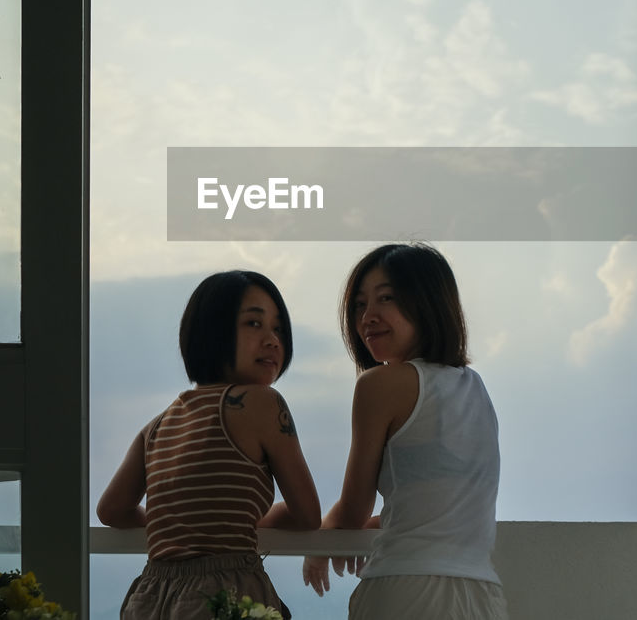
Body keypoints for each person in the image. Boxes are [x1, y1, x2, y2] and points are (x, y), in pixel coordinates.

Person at [99, 270, 321, 620]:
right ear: (212, 333)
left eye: (278, 329)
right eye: (253, 323)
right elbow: (307, 514)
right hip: (225, 594)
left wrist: (175, 528)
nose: (272, 339)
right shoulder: (261, 403)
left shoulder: (156, 426)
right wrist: (259, 522)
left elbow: (110, 511)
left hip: (151, 595)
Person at [303, 243, 507, 619]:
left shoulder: (379, 385)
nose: (368, 317)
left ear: (427, 303)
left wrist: (324, 535)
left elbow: (352, 510)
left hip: (405, 590)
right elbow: (441, 500)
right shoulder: (475, 388)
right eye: (360, 305)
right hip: (481, 596)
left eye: (387, 298)